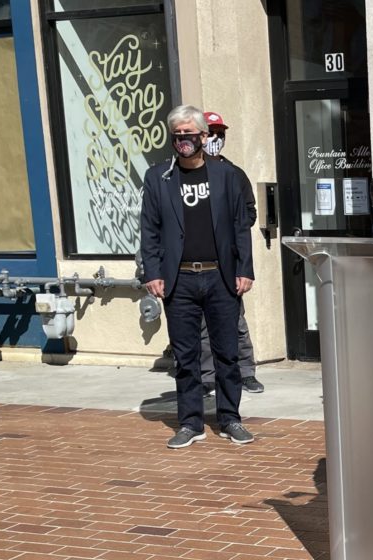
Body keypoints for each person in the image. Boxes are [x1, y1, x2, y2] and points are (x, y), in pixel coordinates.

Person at [140, 105, 256, 449]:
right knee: (186, 356)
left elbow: (240, 226)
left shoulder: (226, 176)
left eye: (189, 134)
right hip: (180, 279)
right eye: (177, 135)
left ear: (204, 137)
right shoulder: (158, 177)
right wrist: (153, 272)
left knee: (226, 354)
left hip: (220, 277)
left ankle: (230, 418)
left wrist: (244, 269)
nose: (183, 141)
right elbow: (150, 229)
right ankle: (190, 422)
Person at [181, 111, 264, 395]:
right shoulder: (179, 173)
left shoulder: (233, 173)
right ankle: (207, 376)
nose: (216, 138)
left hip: (226, 263)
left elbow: (249, 213)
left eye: (220, 133)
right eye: (211, 132)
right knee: (202, 327)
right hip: (194, 265)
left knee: (235, 321)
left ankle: (246, 372)